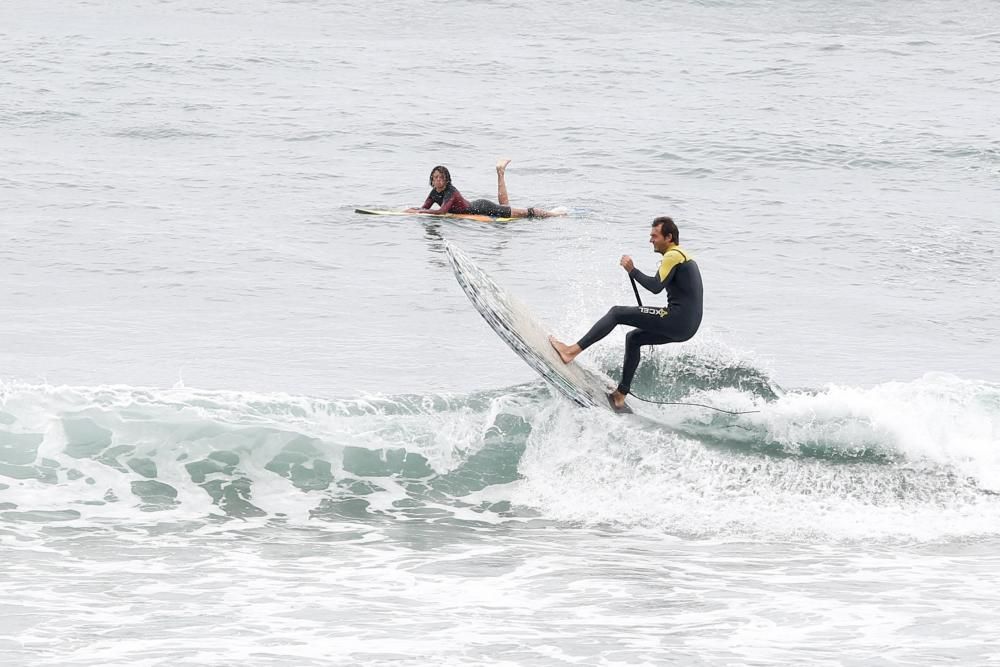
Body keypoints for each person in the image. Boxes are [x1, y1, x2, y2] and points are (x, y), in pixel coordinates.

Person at [548, 217, 703, 413]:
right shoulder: (682, 255)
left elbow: (655, 287)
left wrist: (632, 269)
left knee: (616, 313)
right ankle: (620, 395)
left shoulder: (673, 255)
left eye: (654, 236)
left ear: (669, 237)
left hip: (677, 318)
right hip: (688, 327)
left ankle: (570, 351)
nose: (651, 240)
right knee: (634, 338)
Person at [405, 160, 565, 219]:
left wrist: (418, 212)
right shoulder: (434, 192)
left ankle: (554, 213)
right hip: (476, 208)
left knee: (525, 213)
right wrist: (415, 209)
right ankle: (500, 173)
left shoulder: (450, 191)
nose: (437, 180)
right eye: (434, 178)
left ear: (446, 180)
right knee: (507, 206)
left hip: (482, 207)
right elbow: (425, 208)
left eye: (440, 178)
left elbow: (442, 212)